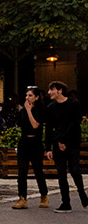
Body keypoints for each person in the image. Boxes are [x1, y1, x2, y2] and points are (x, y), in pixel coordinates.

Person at [44, 80, 88, 212]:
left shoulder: (74, 104)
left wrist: (63, 140)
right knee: (61, 174)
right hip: (58, 144)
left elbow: (74, 123)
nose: (49, 92)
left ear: (60, 90)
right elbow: (49, 129)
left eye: (51, 89)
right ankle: (66, 203)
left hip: (72, 142)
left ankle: (83, 195)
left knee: (75, 170)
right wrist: (48, 148)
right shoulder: (51, 107)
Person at [11, 86, 49, 209]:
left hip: (36, 143)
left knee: (38, 170)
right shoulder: (22, 111)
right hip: (24, 142)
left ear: (37, 97)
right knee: (22, 171)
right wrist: (24, 111)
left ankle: (44, 194)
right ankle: (22, 198)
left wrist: (28, 111)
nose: (27, 98)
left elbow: (35, 125)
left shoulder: (40, 110)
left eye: (30, 95)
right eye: (26, 95)